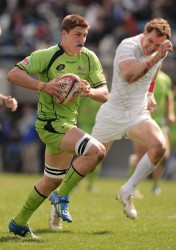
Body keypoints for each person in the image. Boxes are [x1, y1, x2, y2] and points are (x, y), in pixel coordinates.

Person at [49, 18, 173, 222]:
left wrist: (150, 94)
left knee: (159, 147)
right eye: (150, 41)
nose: (152, 47)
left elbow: (156, 69)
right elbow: (129, 75)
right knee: (90, 163)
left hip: (137, 113)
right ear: (144, 33)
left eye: (157, 45)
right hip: (112, 114)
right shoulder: (128, 45)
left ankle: (127, 190)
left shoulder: (159, 52)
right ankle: (60, 199)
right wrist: (157, 55)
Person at [7, 14, 109, 239]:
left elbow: (105, 93)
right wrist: (44, 86)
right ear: (64, 34)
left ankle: (19, 222)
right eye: (77, 35)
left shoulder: (89, 58)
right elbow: (13, 74)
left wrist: (89, 91)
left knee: (51, 180)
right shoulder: (47, 55)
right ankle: (62, 196)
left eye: (85, 35)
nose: (81, 39)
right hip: (51, 124)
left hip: (68, 124)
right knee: (97, 151)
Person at [129, 70, 175, 197]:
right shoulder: (141, 75)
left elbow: (168, 97)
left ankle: (155, 185)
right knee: (141, 154)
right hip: (142, 120)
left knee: (164, 155)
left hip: (160, 122)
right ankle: (132, 186)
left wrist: (170, 113)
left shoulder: (165, 79)